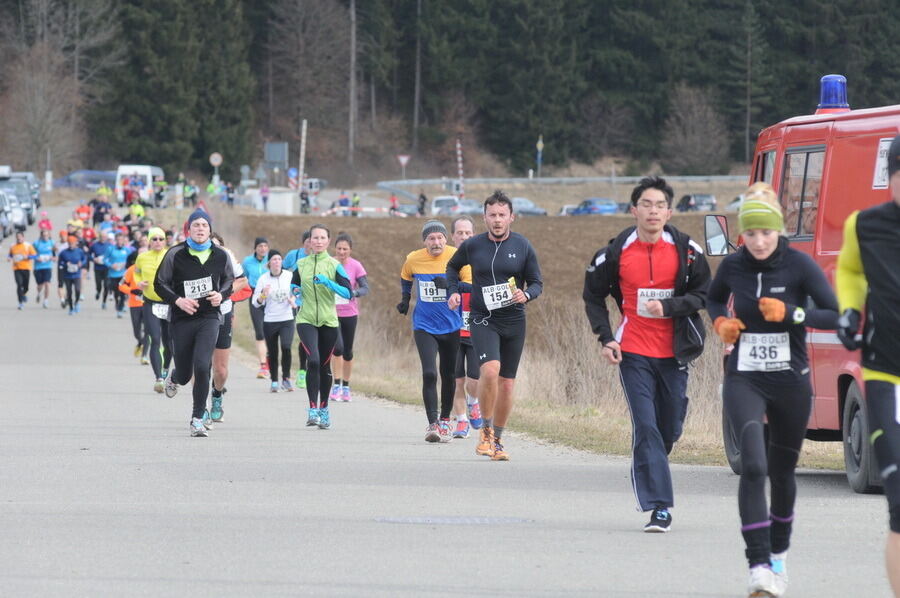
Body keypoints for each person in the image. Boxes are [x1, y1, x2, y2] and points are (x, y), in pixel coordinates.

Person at [708, 183, 839, 597]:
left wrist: (793, 313)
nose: (759, 241)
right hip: (744, 376)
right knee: (754, 466)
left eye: (766, 232)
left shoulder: (799, 267)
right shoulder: (733, 267)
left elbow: (835, 314)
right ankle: (758, 566)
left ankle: (779, 556)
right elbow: (713, 300)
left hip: (790, 381)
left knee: (782, 473)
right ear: (742, 234)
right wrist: (719, 324)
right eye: (751, 233)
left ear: (779, 231)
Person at [582, 176, 710, 532]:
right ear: (634, 210)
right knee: (647, 427)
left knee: (669, 428)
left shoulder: (687, 251)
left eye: (660, 206)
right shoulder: (615, 253)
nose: (653, 211)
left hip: (674, 352)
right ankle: (660, 506)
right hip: (633, 351)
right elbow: (593, 296)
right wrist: (606, 338)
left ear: (669, 212)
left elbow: (705, 294)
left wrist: (670, 307)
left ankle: (649, 465)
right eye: (646, 205)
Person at [835, 134, 900, 598]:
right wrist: (849, 310)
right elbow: (851, 270)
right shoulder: (865, 225)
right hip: (885, 373)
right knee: (899, 504)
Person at [447, 191, 543, 460]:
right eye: (492, 215)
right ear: (484, 217)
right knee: (489, 372)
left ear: (511, 217)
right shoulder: (473, 245)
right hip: (482, 318)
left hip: (513, 320)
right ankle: (485, 432)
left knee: (508, 384)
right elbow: (452, 268)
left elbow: (537, 282)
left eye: (502, 215)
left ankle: (497, 441)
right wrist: (453, 291)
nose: (497, 220)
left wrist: (527, 294)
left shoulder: (523, 246)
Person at [154, 209, 234, 437]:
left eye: (204, 225)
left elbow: (230, 280)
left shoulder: (220, 255)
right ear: (189, 228)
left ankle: (197, 418)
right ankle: (175, 376)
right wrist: (178, 300)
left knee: (202, 366)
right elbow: (160, 284)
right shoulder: (175, 253)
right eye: (196, 225)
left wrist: (221, 295)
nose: (200, 229)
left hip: (209, 318)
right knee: (185, 373)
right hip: (181, 320)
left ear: (210, 229)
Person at [400, 220, 470, 442]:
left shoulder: (458, 257)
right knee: (429, 373)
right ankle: (432, 425)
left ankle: (445, 421)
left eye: (440, 237)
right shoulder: (414, 258)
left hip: (451, 325)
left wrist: (452, 286)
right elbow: (405, 277)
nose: (436, 242)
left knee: (448, 376)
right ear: (424, 241)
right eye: (431, 238)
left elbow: (471, 285)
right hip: (424, 325)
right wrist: (404, 299)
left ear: (446, 239)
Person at [291, 224, 352, 429]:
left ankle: (324, 408)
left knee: (324, 365)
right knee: (314, 361)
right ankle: (312, 410)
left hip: (328, 321)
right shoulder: (301, 264)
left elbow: (347, 293)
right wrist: (296, 291)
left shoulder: (334, 265)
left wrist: (328, 282)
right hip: (306, 319)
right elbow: (293, 285)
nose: (317, 241)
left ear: (328, 241)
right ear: (309, 241)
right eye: (314, 238)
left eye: (322, 238)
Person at [209, 233, 249, 423]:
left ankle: (217, 394)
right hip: (199, 315)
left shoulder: (227, 258)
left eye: (217, 246)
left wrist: (225, 294)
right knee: (200, 365)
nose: (213, 249)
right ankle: (199, 408)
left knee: (221, 371)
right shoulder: (195, 259)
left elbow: (244, 283)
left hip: (223, 312)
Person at [449, 216, 483, 437]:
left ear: (474, 234)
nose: (463, 236)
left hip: (476, 326)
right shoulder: (446, 259)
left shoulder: (481, 257)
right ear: (452, 236)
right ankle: (461, 420)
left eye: (467, 233)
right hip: (451, 327)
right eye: (459, 233)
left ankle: (473, 402)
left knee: (474, 379)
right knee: (455, 379)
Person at [329, 232, 369, 402]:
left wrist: (353, 293)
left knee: (348, 351)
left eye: (345, 249)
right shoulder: (329, 263)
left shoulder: (356, 266)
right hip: (331, 312)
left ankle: (346, 386)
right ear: (335, 249)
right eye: (339, 248)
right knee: (337, 348)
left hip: (350, 313)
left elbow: (365, 287)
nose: (342, 252)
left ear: (350, 250)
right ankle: (336, 384)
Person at [134, 227, 172, 393]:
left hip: (169, 304)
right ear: (149, 241)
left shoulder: (171, 255)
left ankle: (164, 370)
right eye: (154, 239)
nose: (158, 242)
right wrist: (139, 283)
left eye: (161, 239)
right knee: (155, 339)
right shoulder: (142, 257)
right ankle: (159, 378)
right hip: (150, 303)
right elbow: (136, 274)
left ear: (165, 241)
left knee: (169, 343)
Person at [253, 250, 297, 392]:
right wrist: (263, 295)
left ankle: (286, 378)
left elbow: (298, 291)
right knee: (272, 352)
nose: (277, 262)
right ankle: (274, 380)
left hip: (287, 319)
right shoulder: (263, 279)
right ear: (269, 263)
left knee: (286, 347)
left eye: (279, 259)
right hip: (270, 320)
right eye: (274, 259)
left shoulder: (289, 276)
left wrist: (294, 299)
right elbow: (256, 303)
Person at [283, 230, 312, 387]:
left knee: (304, 338)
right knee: (294, 335)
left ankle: (303, 371)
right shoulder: (293, 256)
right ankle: (297, 371)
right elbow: (281, 271)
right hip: (291, 301)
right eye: (307, 241)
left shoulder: (316, 259)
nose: (310, 244)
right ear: (303, 243)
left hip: (308, 302)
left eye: (312, 241)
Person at [242, 238, 271, 379]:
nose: (263, 248)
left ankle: (270, 360)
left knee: (270, 331)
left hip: (271, 298)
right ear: (255, 248)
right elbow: (243, 280)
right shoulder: (247, 262)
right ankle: (263, 365)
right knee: (260, 332)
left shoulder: (272, 259)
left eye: (265, 246)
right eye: (260, 246)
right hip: (255, 296)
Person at [120, 250, 150, 364]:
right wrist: (131, 290)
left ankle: (144, 356)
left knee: (148, 331)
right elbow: (120, 285)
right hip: (134, 305)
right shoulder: (131, 269)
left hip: (148, 304)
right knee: (137, 332)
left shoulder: (152, 269)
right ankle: (140, 342)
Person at [105, 232, 133, 318]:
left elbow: (131, 260)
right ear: (116, 240)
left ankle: (120, 309)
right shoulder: (110, 249)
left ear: (124, 240)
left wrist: (126, 265)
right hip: (113, 274)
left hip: (123, 275)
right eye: (118, 239)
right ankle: (117, 303)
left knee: (123, 292)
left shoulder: (127, 250)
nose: (120, 241)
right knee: (115, 292)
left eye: (121, 239)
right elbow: (105, 259)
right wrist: (110, 265)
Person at [58, 235, 87, 314]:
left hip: (76, 274)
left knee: (77, 290)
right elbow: (60, 263)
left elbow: (84, 259)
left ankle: (77, 302)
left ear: (76, 243)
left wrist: (81, 263)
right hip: (67, 275)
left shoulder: (79, 251)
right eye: (69, 243)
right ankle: (71, 308)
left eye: (72, 243)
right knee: (69, 292)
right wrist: (65, 264)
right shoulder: (63, 253)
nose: (71, 245)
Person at [8, 231, 36, 309]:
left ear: (23, 237)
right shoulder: (13, 245)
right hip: (17, 268)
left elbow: (35, 255)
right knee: (19, 284)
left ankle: (23, 294)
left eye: (20, 237)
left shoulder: (28, 245)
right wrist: (9, 258)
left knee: (26, 287)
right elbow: (10, 254)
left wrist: (27, 257)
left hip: (26, 268)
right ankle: (20, 303)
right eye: (17, 237)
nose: (18, 238)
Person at [33, 228, 56, 308]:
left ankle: (46, 300)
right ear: (41, 236)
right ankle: (39, 293)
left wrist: (53, 258)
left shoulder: (52, 242)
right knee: (40, 285)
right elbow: (31, 253)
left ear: (49, 235)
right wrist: (36, 258)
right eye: (44, 235)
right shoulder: (37, 243)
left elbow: (55, 253)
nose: (45, 237)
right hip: (38, 267)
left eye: (47, 235)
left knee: (47, 283)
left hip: (48, 266)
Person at [89, 234, 111, 309]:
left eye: (104, 237)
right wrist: (93, 259)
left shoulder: (109, 245)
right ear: (99, 237)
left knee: (106, 285)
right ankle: (98, 291)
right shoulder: (94, 245)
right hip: (97, 268)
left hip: (106, 268)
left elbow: (113, 255)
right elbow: (88, 254)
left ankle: (104, 302)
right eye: (101, 237)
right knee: (99, 284)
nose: (103, 238)